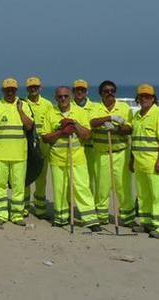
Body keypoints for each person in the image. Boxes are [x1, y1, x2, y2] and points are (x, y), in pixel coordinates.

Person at [41, 86, 101, 232]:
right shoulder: (50, 113)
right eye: (60, 96)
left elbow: (87, 135)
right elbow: (46, 137)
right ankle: (61, 218)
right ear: (55, 98)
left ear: (70, 97)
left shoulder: (79, 113)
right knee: (60, 190)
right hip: (57, 160)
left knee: (82, 188)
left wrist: (74, 124)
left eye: (66, 96)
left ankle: (91, 220)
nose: (63, 99)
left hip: (77, 159)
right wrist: (61, 131)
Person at [0, 78, 34, 226]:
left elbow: (29, 126)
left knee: (18, 186)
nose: (10, 92)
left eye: (12, 89)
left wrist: (20, 110)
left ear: (16, 90)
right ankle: (1, 214)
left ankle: (17, 215)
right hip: (1, 154)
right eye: (7, 90)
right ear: (3, 91)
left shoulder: (24, 105)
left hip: (20, 154)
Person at [89, 80, 135, 225]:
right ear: (100, 93)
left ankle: (127, 218)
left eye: (112, 91)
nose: (109, 93)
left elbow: (130, 128)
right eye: (106, 91)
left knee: (123, 187)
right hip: (102, 153)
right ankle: (102, 218)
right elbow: (92, 122)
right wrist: (109, 118)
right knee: (102, 188)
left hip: (121, 152)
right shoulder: (95, 107)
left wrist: (117, 128)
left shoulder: (124, 107)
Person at [130, 84, 159, 239]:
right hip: (140, 165)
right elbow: (135, 141)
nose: (144, 99)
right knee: (143, 195)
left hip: (156, 165)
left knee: (158, 195)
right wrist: (131, 160)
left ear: (153, 98)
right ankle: (146, 222)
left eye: (147, 96)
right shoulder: (136, 116)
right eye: (141, 96)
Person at [23, 76, 55, 219]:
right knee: (26, 176)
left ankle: (40, 209)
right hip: (26, 144)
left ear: (40, 88)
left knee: (41, 178)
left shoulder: (48, 104)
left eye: (36, 86)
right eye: (31, 87)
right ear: (27, 89)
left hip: (43, 145)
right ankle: (24, 208)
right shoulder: (22, 103)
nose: (33, 89)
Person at [72, 79, 97, 191]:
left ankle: (91, 206)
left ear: (87, 92)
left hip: (91, 148)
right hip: (74, 148)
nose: (80, 92)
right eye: (77, 90)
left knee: (92, 178)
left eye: (82, 90)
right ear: (73, 91)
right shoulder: (68, 106)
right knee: (74, 179)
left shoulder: (95, 107)